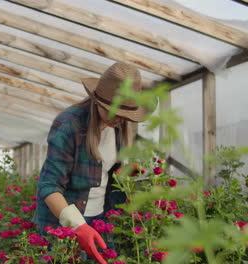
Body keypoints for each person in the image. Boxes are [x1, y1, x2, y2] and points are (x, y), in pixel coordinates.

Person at [33, 62, 156, 264]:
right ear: (98, 101)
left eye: (126, 115)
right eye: (115, 111)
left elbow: (103, 170)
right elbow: (49, 186)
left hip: (100, 217)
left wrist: (124, 172)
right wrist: (78, 227)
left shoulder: (116, 126)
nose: (120, 119)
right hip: (67, 222)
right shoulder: (69, 125)